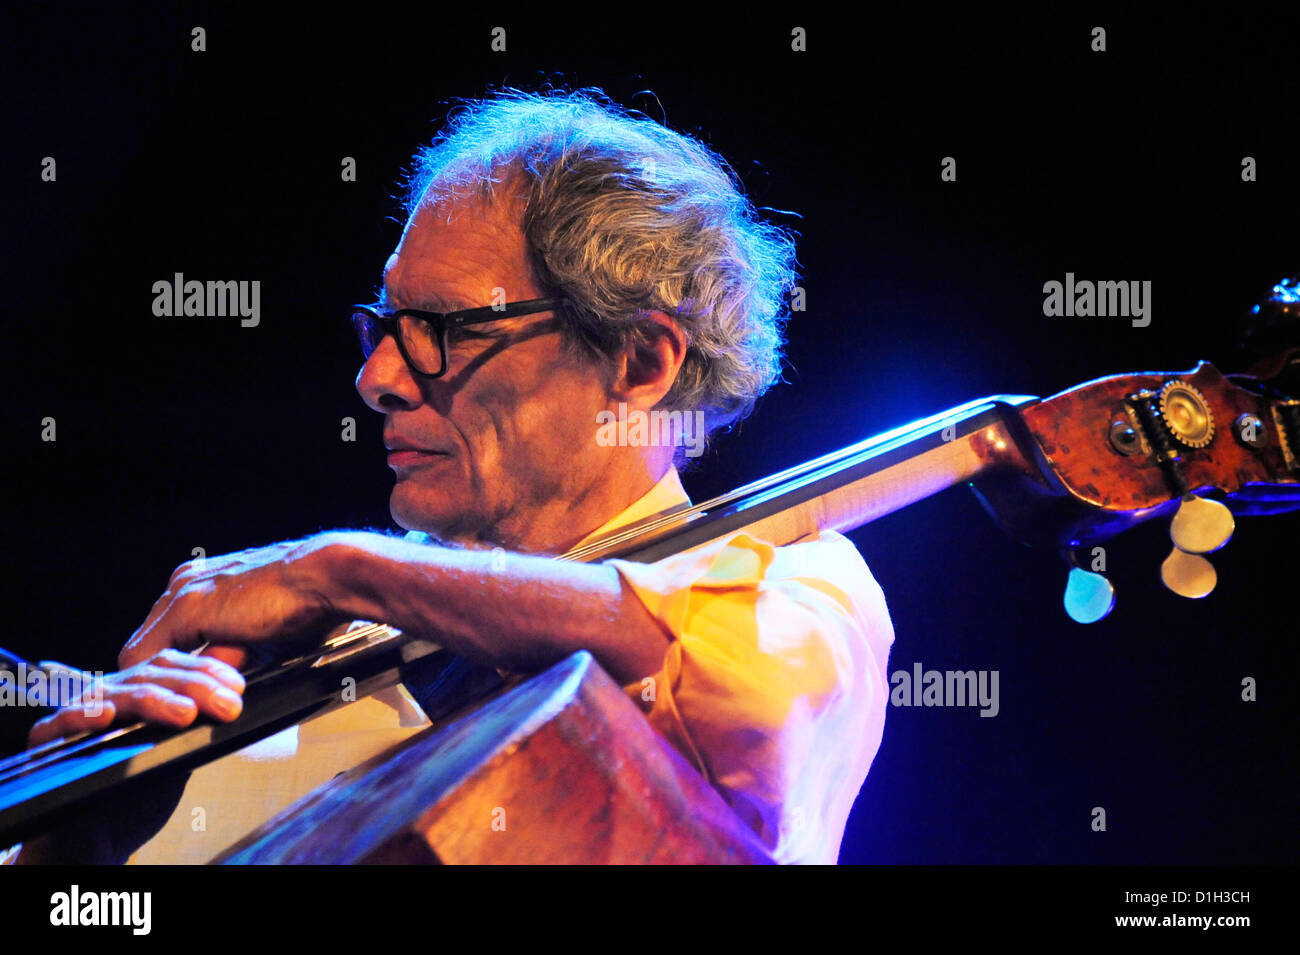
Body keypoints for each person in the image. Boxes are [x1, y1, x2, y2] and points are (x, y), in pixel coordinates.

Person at [6, 87, 894, 865]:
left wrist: (343, 567)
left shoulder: (800, 585)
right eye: (386, 322)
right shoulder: (339, 648)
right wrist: (71, 855)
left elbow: (750, 690)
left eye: (444, 327)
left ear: (638, 361)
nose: (378, 378)